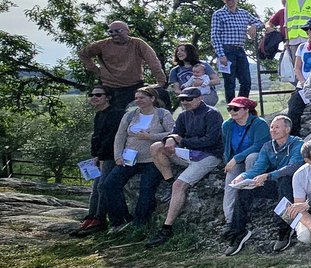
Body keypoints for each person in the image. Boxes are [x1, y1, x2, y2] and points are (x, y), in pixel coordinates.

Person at [144, 86, 223, 248]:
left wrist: (182, 140)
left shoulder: (212, 114)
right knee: (156, 147)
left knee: (179, 185)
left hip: (209, 155)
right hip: (190, 152)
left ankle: (166, 228)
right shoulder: (183, 115)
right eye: (182, 99)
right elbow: (175, 133)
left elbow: (211, 140)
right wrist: (171, 138)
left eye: (189, 99)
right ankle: (168, 181)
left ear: (199, 98)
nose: (185, 102)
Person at [94, 87, 174, 233]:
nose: (138, 100)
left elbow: (172, 133)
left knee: (146, 189)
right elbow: (120, 136)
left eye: (142, 98)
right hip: (129, 158)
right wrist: (118, 156)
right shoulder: (130, 115)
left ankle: (140, 224)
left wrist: (151, 137)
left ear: (152, 99)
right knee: (109, 184)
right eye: (136, 98)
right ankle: (120, 220)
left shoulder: (163, 114)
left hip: (152, 159)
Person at [225, 115, 304, 254]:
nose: (273, 130)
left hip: (294, 186)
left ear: (287, 129)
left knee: (284, 180)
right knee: (244, 190)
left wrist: (268, 175)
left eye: (277, 127)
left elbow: (293, 167)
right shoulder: (267, 146)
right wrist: (243, 177)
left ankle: (284, 229)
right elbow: (258, 167)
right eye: (271, 127)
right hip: (275, 184)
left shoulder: (297, 144)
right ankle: (238, 233)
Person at [69, 86, 128, 236]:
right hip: (101, 156)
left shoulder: (116, 114)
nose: (94, 97)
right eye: (92, 95)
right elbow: (96, 136)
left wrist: (100, 156)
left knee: (102, 186)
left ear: (108, 97)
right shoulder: (99, 114)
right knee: (95, 187)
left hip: (111, 156)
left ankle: (99, 219)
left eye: (98, 95)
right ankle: (91, 216)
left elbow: (112, 138)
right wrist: (95, 155)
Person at [78, 20, 168, 108]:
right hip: (111, 87)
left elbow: (153, 62)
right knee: (117, 113)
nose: (114, 34)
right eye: (111, 31)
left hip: (135, 86)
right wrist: (96, 70)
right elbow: (83, 54)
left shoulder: (138, 44)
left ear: (127, 31)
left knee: (161, 94)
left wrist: (161, 82)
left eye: (118, 30)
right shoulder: (102, 45)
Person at [218, 97, 269, 239]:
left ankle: (249, 190)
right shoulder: (227, 125)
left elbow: (259, 145)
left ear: (246, 110)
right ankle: (230, 221)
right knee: (230, 185)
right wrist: (230, 160)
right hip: (237, 162)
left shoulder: (259, 124)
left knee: (251, 157)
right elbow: (226, 145)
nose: (231, 111)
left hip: (255, 161)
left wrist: (235, 158)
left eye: (235, 108)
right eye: (229, 109)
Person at [210, 0, 264, 102]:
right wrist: (221, 54)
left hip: (240, 50)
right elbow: (215, 35)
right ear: (223, 0)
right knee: (230, 83)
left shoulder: (243, 13)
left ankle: (241, 105)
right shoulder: (218, 14)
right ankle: (232, 108)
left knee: (246, 81)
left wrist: (253, 26)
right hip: (226, 50)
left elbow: (260, 22)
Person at [285, 18, 311, 137]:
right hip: (303, 85)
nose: (310, 33)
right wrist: (302, 82)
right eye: (308, 31)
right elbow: (297, 68)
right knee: (293, 109)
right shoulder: (302, 47)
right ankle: (294, 137)